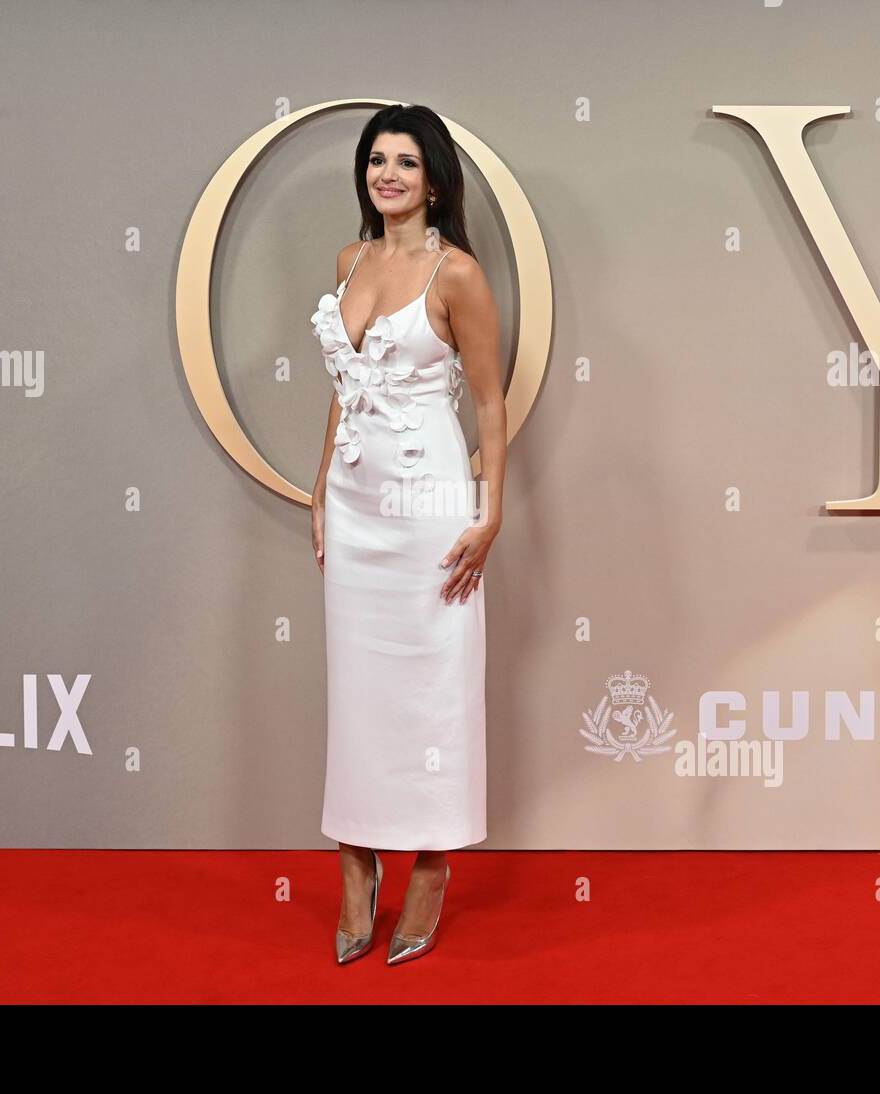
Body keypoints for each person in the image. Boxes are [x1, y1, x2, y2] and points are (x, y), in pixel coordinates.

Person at [309, 104, 506, 965]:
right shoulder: (351, 260)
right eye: (377, 161)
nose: (387, 175)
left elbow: (491, 402)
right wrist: (320, 485)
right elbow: (346, 390)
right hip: (356, 506)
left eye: (406, 163)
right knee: (358, 687)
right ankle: (356, 860)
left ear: (435, 180)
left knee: (434, 685)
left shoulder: (457, 274)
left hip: (430, 504)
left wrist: (490, 509)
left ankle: (429, 862)